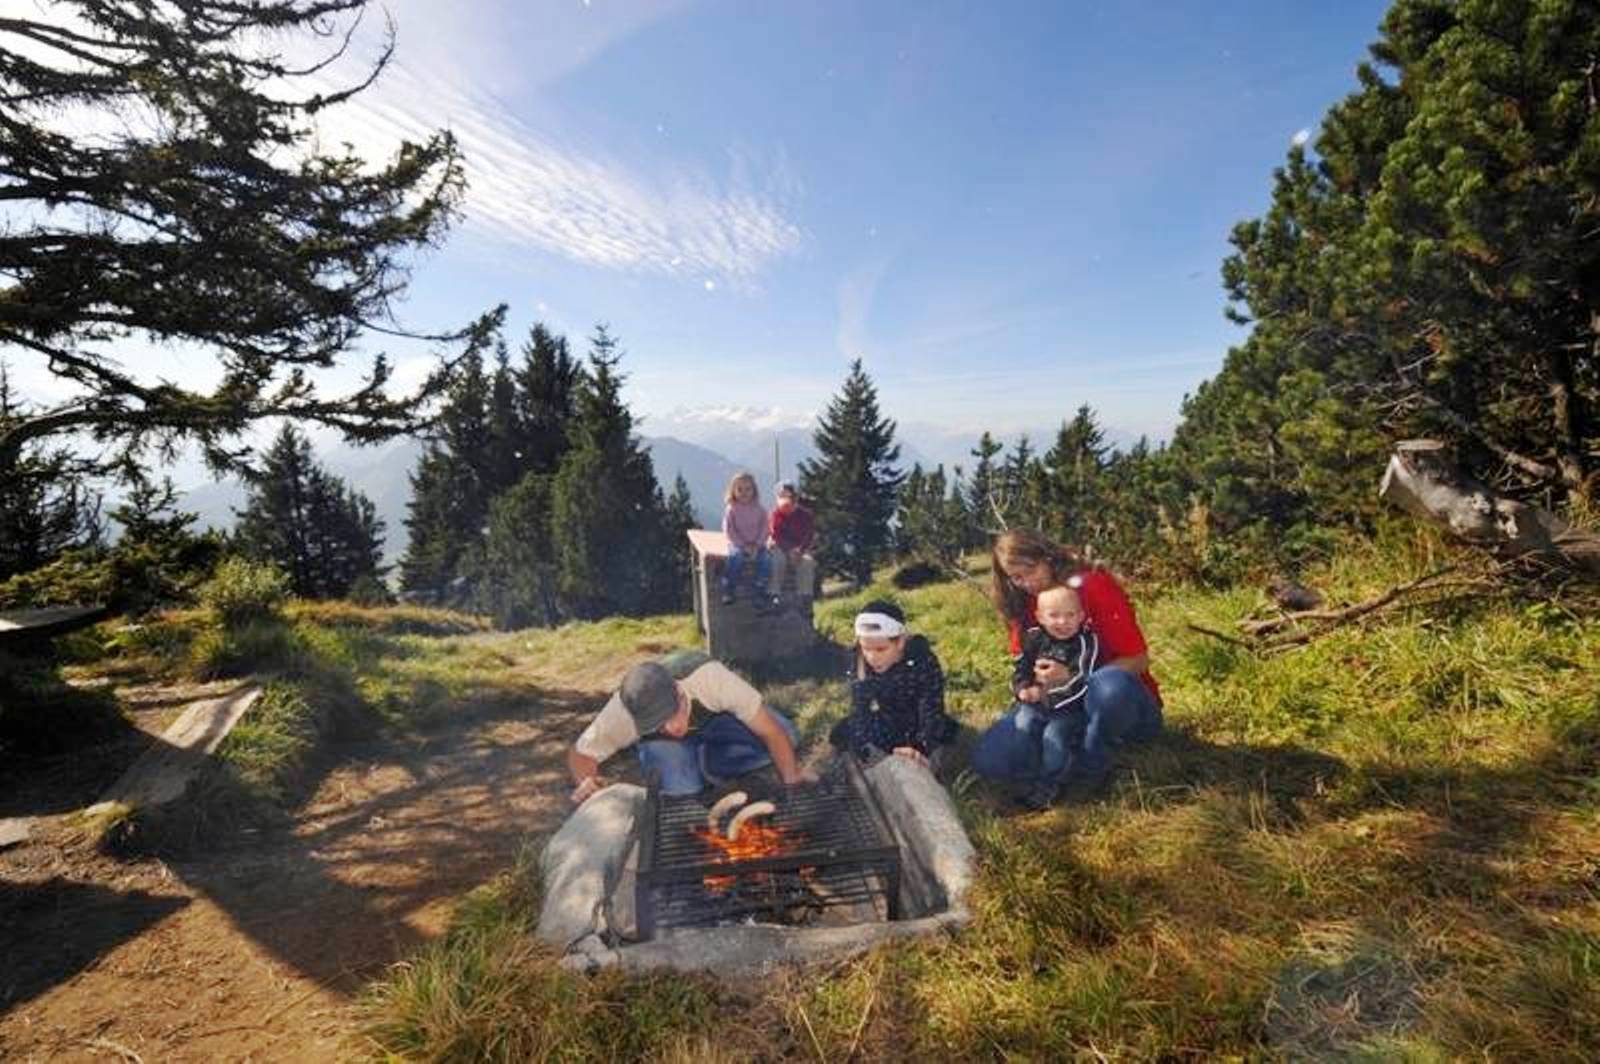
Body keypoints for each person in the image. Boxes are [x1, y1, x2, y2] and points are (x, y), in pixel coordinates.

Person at [971, 529, 1162, 807]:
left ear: (1047, 557)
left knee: (1110, 687)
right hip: (1058, 705)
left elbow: (1138, 660)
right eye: (1017, 577)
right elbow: (1024, 664)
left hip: (1117, 702)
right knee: (989, 761)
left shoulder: (1092, 584)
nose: (1027, 583)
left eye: (1030, 570)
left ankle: (1092, 759)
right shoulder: (1025, 604)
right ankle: (1064, 756)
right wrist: (1029, 687)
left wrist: (1072, 677)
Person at [566, 649, 808, 801]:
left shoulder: (711, 679)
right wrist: (585, 782)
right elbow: (581, 754)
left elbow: (770, 731)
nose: (671, 729)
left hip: (716, 722)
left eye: (671, 716)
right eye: (658, 724)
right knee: (681, 791)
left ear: (680, 695)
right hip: (664, 747)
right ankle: (691, 770)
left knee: (787, 736)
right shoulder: (624, 710)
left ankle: (709, 764)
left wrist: (791, 779)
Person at [1003, 582, 1102, 808]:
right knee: (1023, 727)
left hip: (1070, 709)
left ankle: (1051, 785)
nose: (1062, 622)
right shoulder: (1034, 638)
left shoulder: (1085, 642)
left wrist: (1046, 697)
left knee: (1054, 739)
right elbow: (1021, 669)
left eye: (1070, 615)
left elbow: (1083, 681)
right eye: (1054, 615)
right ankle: (1026, 780)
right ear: (1040, 617)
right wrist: (1023, 689)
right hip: (1035, 704)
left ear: (1081, 616)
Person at [828, 600, 959, 771]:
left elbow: (931, 708)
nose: (872, 657)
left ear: (900, 642)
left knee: (935, 740)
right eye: (866, 649)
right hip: (888, 720)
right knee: (843, 732)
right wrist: (862, 745)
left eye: (881, 649)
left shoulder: (921, 660)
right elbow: (860, 709)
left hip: (920, 722)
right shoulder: (859, 661)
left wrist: (921, 747)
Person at [720, 471, 771, 606]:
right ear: (733, 491)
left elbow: (765, 528)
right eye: (740, 489)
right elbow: (729, 530)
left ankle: (760, 589)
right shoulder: (731, 509)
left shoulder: (760, 509)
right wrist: (743, 546)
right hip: (738, 544)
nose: (744, 493)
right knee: (735, 557)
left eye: (748, 489)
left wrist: (757, 545)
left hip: (757, 544)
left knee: (766, 560)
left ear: (754, 490)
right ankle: (728, 588)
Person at [767, 479, 816, 602]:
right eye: (783, 497)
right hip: (780, 547)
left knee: (807, 563)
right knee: (777, 561)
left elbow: (809, 535)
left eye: (791, 497)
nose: (787, 501)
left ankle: (805, 596)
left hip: (800, 550)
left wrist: (800, 550)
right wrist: (789, 550)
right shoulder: (775, 515)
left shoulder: (806, 515)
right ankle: (774, 593)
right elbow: (775, 535)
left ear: (796, 498)